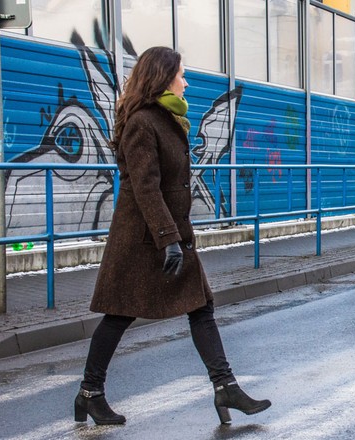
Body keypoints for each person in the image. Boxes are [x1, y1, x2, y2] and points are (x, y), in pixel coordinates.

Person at [74, 46, 270, 426]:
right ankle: (90, 393)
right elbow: (145, 188)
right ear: (163, 77)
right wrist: (168, 239)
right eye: (182, 74)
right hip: (142, 239)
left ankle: (225, 386)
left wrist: (173, 237)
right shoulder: (142, 122)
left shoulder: (167, 118)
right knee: (118, 315)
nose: (186, 82)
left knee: (201, 306)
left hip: (169, 235)